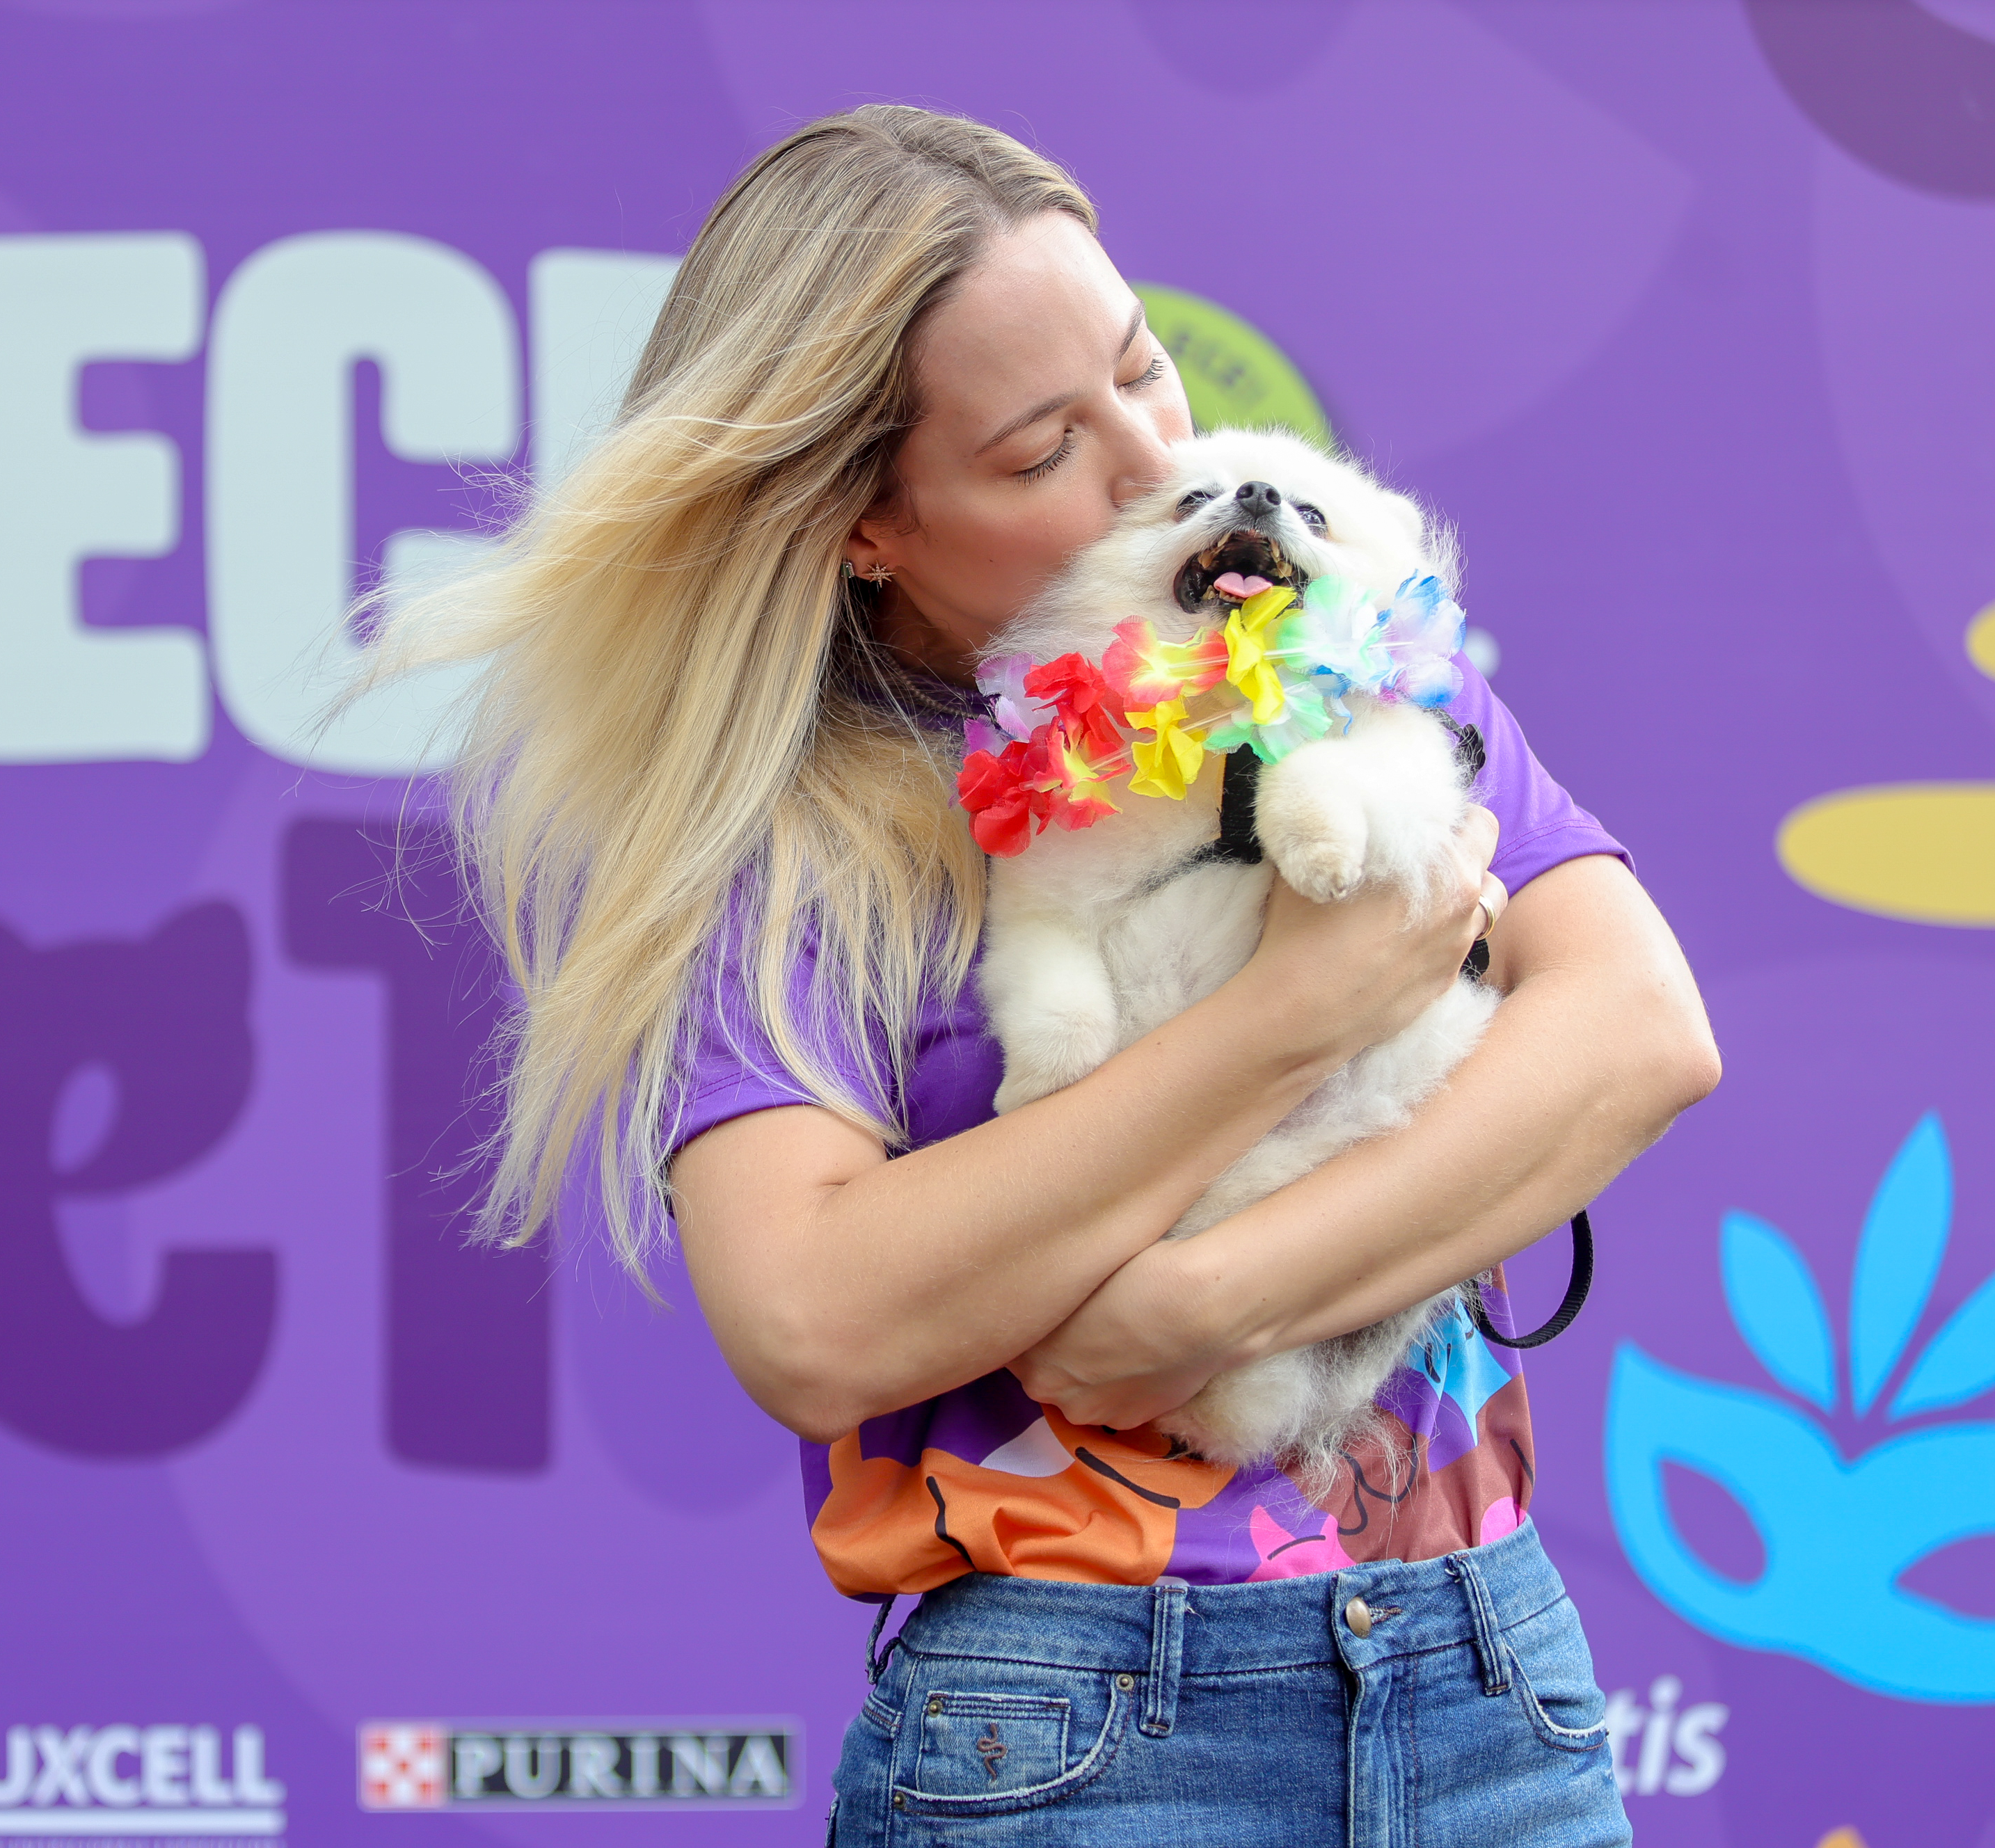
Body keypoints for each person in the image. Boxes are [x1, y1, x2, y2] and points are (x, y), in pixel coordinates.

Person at [372, 106, 1716, 1845]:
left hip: (1487, 1681)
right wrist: (1290, 1017)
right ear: (867, 525)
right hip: (1076, 1724)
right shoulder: (799, 838)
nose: (1156, 461)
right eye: (1040, 451)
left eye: (1144, 367)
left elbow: (1638, 1030)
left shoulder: (1348, 650)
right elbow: (810, 1318)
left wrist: (1212, 1302)